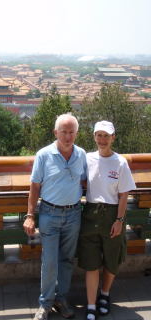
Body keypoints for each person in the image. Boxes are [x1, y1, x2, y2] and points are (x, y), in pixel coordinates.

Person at [23, 113, 86, 320]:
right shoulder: (43, 155)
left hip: (74, 213)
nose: (68, 137)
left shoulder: (81, 154)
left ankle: (61, 298)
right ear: (55, 133)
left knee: (67, 260)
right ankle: (46, 303)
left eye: (71, 132)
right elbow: (34, 186)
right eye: (63, 132)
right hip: (49, 213)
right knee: (49, 261)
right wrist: (30, 215)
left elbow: (85, 181)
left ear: (76, 133)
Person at [78, 121, 136, 320]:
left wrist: (119, 220)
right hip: (91, 212)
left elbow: (123, 195)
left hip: (112, 214)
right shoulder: (87, 159)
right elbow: (81, 180)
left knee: (112, 258)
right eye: (99, 135)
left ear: (113, 137)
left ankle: (105, 294)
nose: (102, 140)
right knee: (91, 262)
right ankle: (92, 304)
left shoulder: (120, 162)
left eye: (106, 135)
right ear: (94, 137)